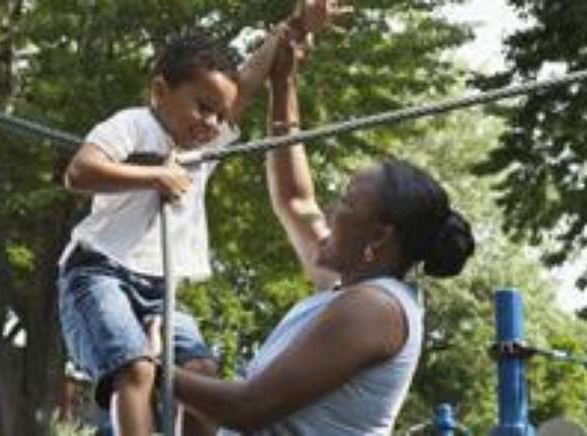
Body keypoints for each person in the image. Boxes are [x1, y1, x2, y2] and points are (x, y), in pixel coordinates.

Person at [173, 26, 476, 435]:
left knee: (181, 372)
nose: (331, 209)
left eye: (348, 202)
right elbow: (296, 199)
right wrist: (283, 84)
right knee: (193, 374)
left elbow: (249, 408)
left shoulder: (374, 309)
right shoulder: (350, 284)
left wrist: (142, 367)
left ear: (380, 237)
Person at [57, 3, 343, 435]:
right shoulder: (132, 125)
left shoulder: (202, 145)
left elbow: (247, 78)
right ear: (160, 91)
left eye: (219, 115)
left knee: (203, 370)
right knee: (135, 369)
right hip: (98, 272)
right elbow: (79, 173)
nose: (211, 123)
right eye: (202, 107)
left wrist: (295, 27)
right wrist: (155, 175)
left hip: (160, 286)